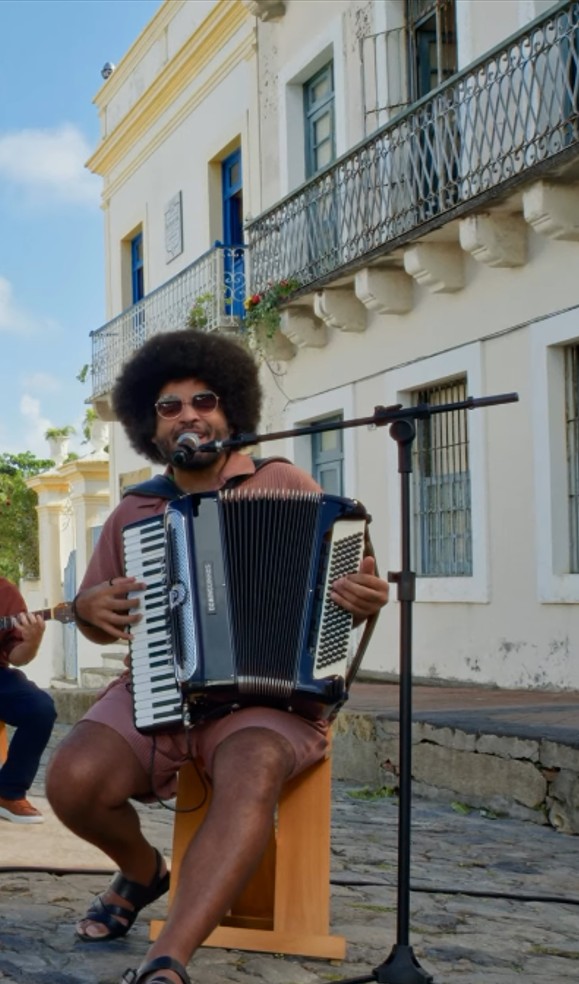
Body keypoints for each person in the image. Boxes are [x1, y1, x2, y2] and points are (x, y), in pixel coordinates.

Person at [45, 329, 389, 984]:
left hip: (268, 702)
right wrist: (88, 610)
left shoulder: (283, 482)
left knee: (253, 766)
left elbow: (344, 593)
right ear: (150, 425)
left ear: (230, 409)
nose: (189, 415)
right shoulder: (135, 511)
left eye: (203, 400)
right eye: (169, 406)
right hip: (159, 686)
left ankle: (166, 959)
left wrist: (363, 598)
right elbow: (99, 620)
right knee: (72, 780)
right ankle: (143, 871)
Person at [0, 577, 56, 823]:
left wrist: (32, 641)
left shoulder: (4, 592)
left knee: (40, 708)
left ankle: (8, 793)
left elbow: (18, 656)